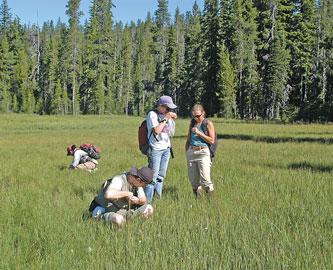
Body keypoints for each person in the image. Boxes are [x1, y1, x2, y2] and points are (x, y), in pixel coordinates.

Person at [89, 167, 154, 227]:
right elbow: (108, 194)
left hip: (123, 210)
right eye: (145, 184)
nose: (144, 186)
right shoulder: (119, 180)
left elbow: (143, 200)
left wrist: (138, 201)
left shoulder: (137, 184)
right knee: (118, 220)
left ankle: (137, 227)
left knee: (149, 208)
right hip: (107, 210)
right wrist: (126, 193)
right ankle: (99, 219)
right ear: (139, 180)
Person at [144, 95, 177, 202]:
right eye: (167, 108)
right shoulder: (152, 115)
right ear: (161, 106)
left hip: (166, 148)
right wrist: (165, 119)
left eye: (170, 109)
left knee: (161, 176)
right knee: (152, 177)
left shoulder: (166, 116)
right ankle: (147, 201)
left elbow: (171, 133)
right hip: (156, 149)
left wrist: (171, 120)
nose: (169, 110)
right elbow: (157, 131)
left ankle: (157, 199)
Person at [185, 104, 215, 197]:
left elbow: (212, 140)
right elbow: (188, 139)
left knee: (206, 181)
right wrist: (187, 152)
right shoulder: (192, 123)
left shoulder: (207, 123)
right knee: (194, 182)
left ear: (203, 113)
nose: (196, 118)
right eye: (194, 116)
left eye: (198, 116)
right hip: (191, 153)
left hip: (203, 153)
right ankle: (197, 201)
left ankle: (211, 203)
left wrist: (199, 133)